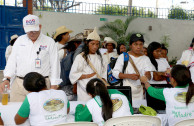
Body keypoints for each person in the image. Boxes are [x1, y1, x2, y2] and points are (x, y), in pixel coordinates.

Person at [0, 14, 61, 102]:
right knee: (17, 110)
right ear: (24, 28)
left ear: (40, 26)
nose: (32, 33)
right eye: (29, 31)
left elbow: (55, 64)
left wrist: (54, 85)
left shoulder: (49, 42)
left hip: (40, 85)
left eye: (34, 30)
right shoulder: (20, 41)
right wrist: (7, 79)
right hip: (19, 84)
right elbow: (12, 61)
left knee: (39, 112)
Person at [112, 33, 154, 100]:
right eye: (135, 44)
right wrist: (129, 76)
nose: (138, 47)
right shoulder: (123, 57)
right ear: (130, 45)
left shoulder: (145, 59)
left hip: (141, 91)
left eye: (141, 44)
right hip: (127, 90)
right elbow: (115, 73)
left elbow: (150, 76)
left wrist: (148, 75)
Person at [69, 27, 106, 101]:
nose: (95, 47)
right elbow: (73, 74)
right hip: (84, 92)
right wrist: (87, 76)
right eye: (92, 44)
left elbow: (104, 73)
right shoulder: (80, 57)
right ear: (87, 43)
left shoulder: (100, 58)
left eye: (97, 44)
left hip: (98, 91)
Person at [59, 33, 83, 100]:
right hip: (68, 86)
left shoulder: (72, 55)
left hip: (66, 86)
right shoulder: (66, 54)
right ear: (75, 44)